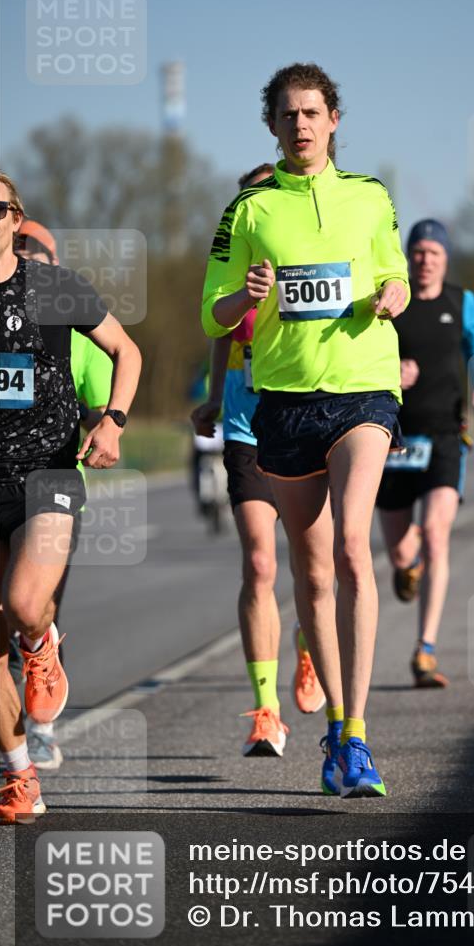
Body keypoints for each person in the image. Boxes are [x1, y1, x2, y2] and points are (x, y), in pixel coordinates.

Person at [201, 63, 409, 797]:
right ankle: (335, 729)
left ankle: (358, 736)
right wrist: (243, 295)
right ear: (272, 125)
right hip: (284, 403)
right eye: (288, 115)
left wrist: (393, 291)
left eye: (312, 112)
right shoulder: (249, 209)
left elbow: (394, 270)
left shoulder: (370, 194)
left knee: (353, 547)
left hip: (362, 388)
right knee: (313, 574)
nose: (300, 125)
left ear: (333, 119)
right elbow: (212, 313)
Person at [0, 172, 141, 823]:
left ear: (14, 218)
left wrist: (113, 421)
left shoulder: (53, 287)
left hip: (48, 472)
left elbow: (126, 351)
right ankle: (20, 777)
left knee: (25, 605)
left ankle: (42, 645)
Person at [193, 162, 325, 759]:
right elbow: (219, 330)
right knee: (260, 563)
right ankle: (266, 711)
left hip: (304, 422)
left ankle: (308, 643)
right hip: (247, 427)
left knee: (314, 568)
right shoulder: (236, 262)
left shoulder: (309, 252)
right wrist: (214, 397)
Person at [8, 219, 114, 771]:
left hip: (55, 483)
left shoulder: (75, 326)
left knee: (36, 607)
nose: (26, 260)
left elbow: (105, 402)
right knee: (7, 619)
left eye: (37, 254)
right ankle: (16, 753)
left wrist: (103, 422)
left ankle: (42, 728)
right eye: (21, 251)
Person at [376, 219, 474, 687]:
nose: (426, 260)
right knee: (400, 550)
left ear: (446, 259)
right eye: (419, 252)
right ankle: (408, 566)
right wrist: (389, 369)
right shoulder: (392, 299)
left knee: (437, 535)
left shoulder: (461, 301)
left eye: (434, 253)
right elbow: (362, 352)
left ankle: (425, 649)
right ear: (409, 256)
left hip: (445, 434)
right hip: (393, 437)